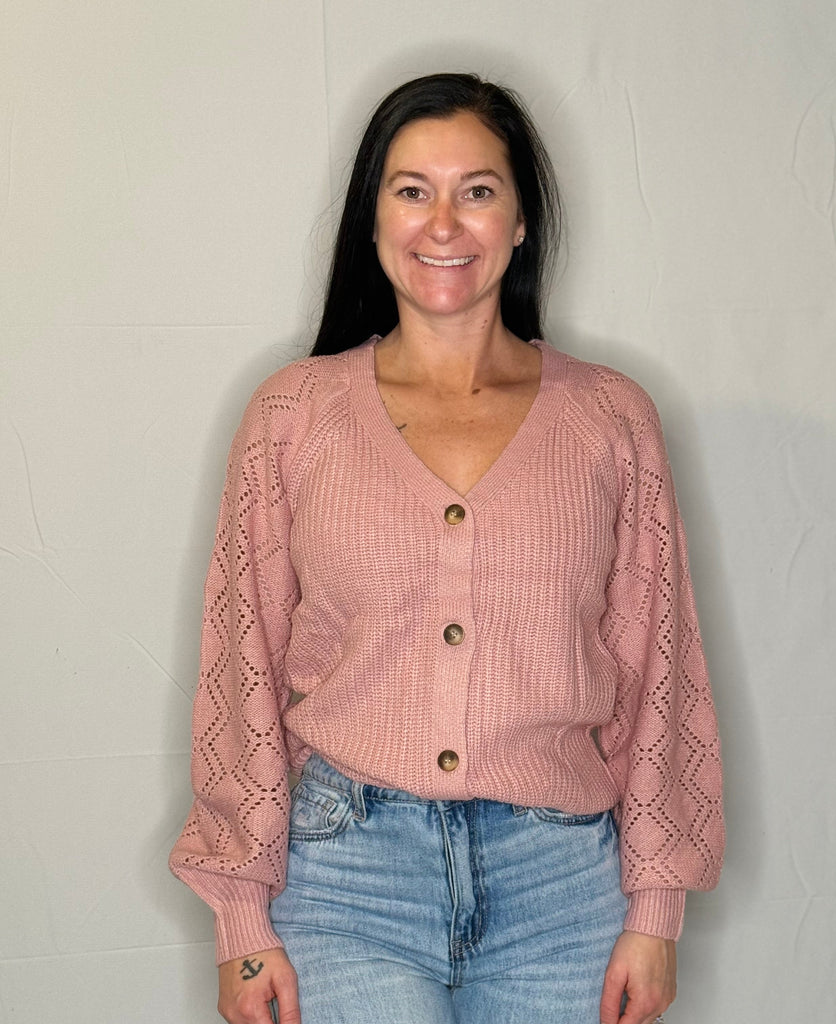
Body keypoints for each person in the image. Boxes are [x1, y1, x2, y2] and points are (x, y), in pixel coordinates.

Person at [170, 72, 724, 1024]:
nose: (442, 223)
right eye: (411, 190)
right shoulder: (293, 417)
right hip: (347, 881)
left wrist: (656, 909)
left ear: (521, 220)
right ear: (373, 216)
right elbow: (239, 665)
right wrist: (241, 918)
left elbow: (659, 668)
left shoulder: (610, 419)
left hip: (562, 893)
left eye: (477, 190)